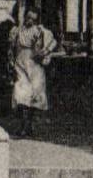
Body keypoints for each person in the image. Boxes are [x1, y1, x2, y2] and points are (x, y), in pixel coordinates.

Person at [8, 7, 58, 137]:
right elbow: (11, 48)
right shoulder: (17, 31)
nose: (29, 20)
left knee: (33, 96)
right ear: (24, 17)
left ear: (36, 20)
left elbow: (52, 43)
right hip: (20, 64)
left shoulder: (40, 31)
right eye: (28, 17)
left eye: (33, 19)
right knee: (20, 94)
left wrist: (43, 53)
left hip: (35, 66)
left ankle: (28, 126)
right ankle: (23, 125)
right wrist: (11, 62)